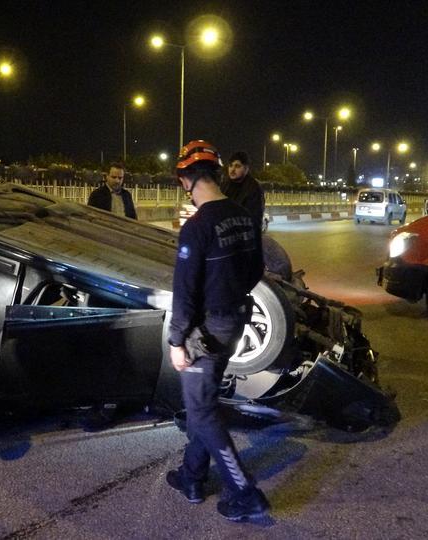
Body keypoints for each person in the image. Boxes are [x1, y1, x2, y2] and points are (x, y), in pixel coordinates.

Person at [164, 140, 269, 521]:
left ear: (184, 182)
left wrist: (177, 341)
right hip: (234, 322)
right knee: (201, 404)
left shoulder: (198, 227)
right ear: (218, 173)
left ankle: (244, 493)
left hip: (205, 331)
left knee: (203, 412)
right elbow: (257, 269)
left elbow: (185, 293)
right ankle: (192, 477)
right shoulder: (242, 216)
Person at [220, 151, 265, 229]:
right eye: (230, 166)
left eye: (237, 166)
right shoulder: (224, 185)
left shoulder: (254, 188)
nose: (232, 170)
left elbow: (255, 219)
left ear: (246, 168)